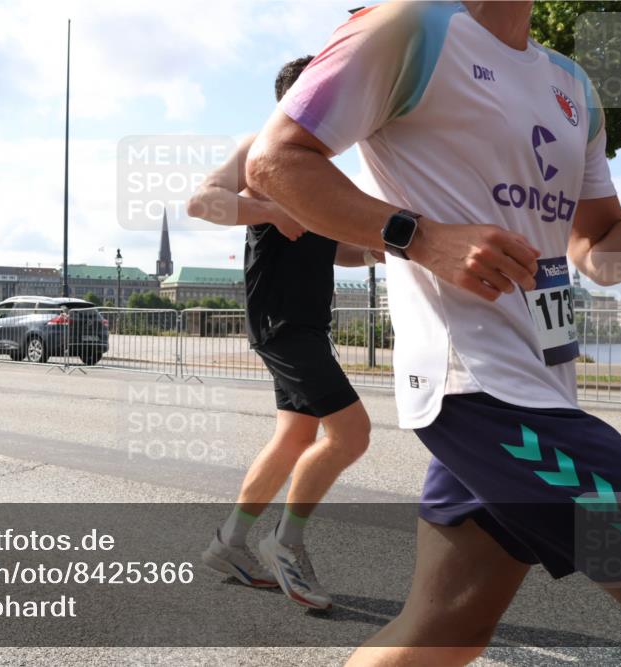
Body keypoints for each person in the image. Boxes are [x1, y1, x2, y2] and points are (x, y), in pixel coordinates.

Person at [246, 1, 621, 662]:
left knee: (442, 633)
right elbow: (275, 163)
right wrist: (420, 236)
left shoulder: (574, 85)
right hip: (478, 395)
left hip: (543, 394)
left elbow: (595, 243)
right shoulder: (409, 27)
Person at [191, 56, 379, 610]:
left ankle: (229, 543)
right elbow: (202, 202)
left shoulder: (318, 165)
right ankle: (285, 543)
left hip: (305, 322)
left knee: (295, 437)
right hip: (281, 321)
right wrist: (268, 209)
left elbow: (328, 244)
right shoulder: (258, 148)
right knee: (352, 434)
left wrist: (374, 251)